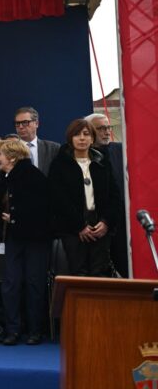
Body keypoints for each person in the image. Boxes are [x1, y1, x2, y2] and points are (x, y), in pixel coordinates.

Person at [0, 139, 51, 345]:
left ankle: (34, 330)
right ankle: (13, 329)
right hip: (15, 238)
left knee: (34, 283)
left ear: (12, 157)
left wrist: (14, 218)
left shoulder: (34, 177)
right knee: (11, 283)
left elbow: (43, 210)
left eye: (0, 155)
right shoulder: (3, 177)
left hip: (36, 239)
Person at [48, 119, 120, 277]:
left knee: (100, 274)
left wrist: (106, 222)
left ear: (92, 138)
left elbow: (115, 196)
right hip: (73, 229)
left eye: (86, 134)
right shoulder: (60, 164)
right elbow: (58, 200)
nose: (82, 138)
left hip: (100, 227)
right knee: (78, 274)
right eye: (77, 134)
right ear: (70, 139)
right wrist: (79, 226)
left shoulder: (102, 162)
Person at [85, 113, 128, 277]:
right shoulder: (81, 154)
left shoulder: (121, 149)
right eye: (101, 128)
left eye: (108, 127)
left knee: (124, 265)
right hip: (93, 224)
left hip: (121, 222)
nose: (106, 131)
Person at [13, 107, 60, 176]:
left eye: (25, 122)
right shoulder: (10, 150)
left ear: (37, 123)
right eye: (17, 123)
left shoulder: (53, 148)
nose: (20, 127)